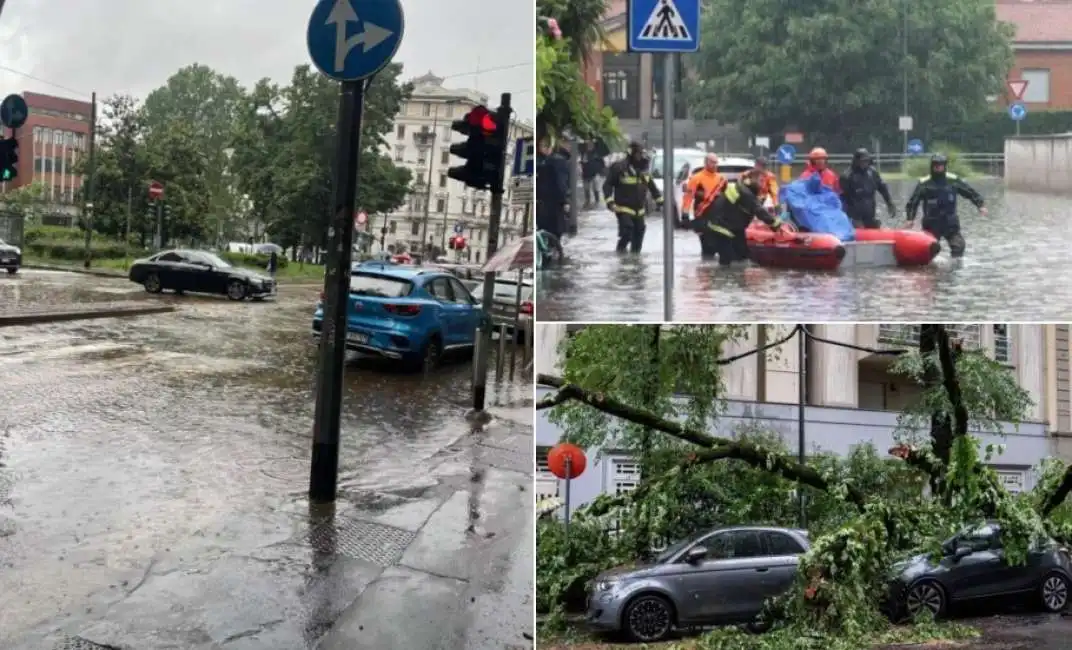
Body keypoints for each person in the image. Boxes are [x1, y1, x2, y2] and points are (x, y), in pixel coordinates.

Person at [905, 153, 987, 258]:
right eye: (935, 165)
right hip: (931, 223)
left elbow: (969, 192)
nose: (938, 167)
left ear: (944, 166)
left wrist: (980, 205)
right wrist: (910, 218)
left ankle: (954, 269)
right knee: (928, 249)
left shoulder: (953, 180)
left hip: (950, 222)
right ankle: (929, 268)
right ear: (932, 166)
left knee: (959, 246)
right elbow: (913, 202)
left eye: (940, 165)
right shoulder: (924, 183)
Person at [692, 175, 784, 265]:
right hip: (722, 227)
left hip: (723, 224)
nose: (762, 191)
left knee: (741, 254)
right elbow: (759, 210)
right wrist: (775, 224)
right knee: (726, 259)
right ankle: (723, 277)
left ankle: (736, 274)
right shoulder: (747, 195)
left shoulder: (737, 187)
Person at [603, 142, 663, 254]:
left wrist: (660, 201)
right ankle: (621, 253)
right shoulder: (619, 168)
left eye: (641, 154)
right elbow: (607, 185)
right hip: (623, 208)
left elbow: (652, 187)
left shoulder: (643, 170)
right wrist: (610, 202)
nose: (640, 157)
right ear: (631, 154)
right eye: (638, 154)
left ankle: (635, 260)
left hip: (639, 210)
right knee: (627, 230)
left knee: (639, 233)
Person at [839, 148, 895, 229]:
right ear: (856, 161)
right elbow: (841, 198)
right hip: (854, 217)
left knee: (875, 228)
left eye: (866, 161)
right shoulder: (847, 176)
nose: (865, 163)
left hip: (870, 215)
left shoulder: (873, 173)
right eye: (862, 161)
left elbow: (883, 188)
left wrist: (889, 203)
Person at [536, 137, 570, 242]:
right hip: (550, 203)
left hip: (549, 203)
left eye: (542, 146)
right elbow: (561, 183)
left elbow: (561, 183)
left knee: (549, 230)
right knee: (552, 230)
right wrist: (565, 201)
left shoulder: (552, 161)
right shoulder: (551, 160)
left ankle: (551, 252)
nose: (540, 149)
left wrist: (564, 201)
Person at [680, 153, 726, 227]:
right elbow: (688, 197)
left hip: (718, 214)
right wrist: (685, 215)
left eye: (716, 162)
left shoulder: (721, 179)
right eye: (712, 162)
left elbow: (726, 196)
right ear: (705, 162)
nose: (715, 165)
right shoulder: (696, 178)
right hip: (701, 213)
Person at [581, 141, 606, 209]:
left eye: (591, 145)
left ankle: (597, 202)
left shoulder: (597, 153)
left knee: (596, 188)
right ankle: (587, 202)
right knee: (587, 189)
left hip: (595, 174)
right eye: (588, 145)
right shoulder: (584, 153)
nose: (589, 146)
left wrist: (602, 172)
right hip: (586, 174)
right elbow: (582, 162)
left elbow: (602, 163)